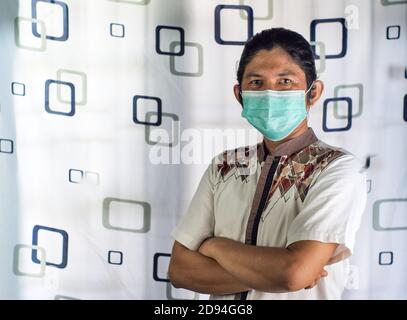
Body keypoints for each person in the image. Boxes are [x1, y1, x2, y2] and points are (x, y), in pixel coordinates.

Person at [168, 28, 367, 300]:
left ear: (314, 92)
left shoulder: (337, 168)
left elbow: (292, 273)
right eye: (257, 83)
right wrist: (277, 273)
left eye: (285, 81)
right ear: (240, 95)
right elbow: (181, 270)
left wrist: (214, 247)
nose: (271, 93)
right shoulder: (224, 165)